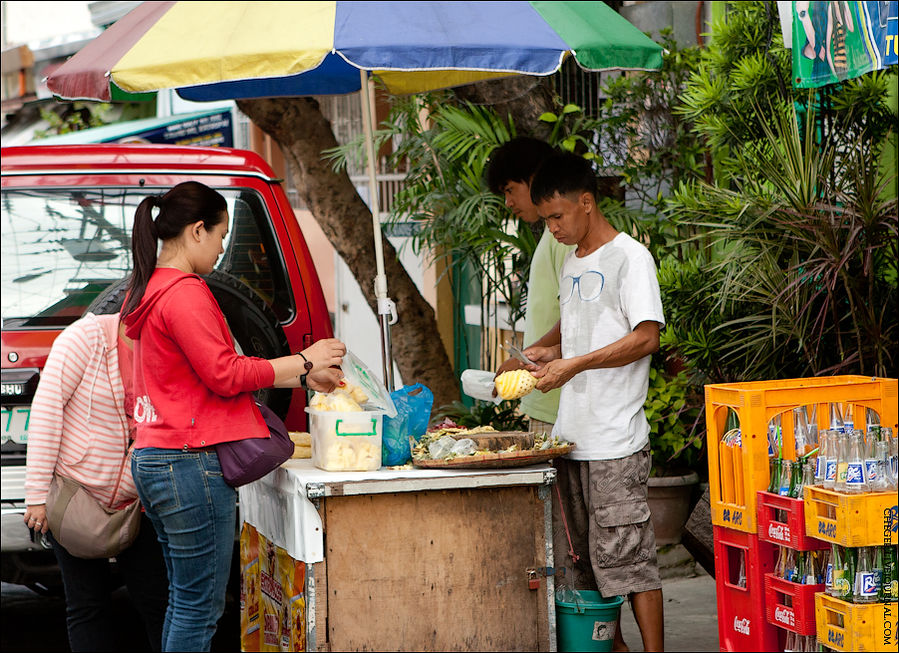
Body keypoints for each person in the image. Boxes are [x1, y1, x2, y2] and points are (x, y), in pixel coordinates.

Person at [121, 180, 346, 652]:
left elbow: (201, 375)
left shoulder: (146, 291)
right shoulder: (184, 293)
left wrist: (304, 378)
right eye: (222, 235)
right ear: (197, 231)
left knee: (185, 602)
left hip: (156, 457)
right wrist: (306, 360)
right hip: (188, 465)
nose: (223, 249)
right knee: (199, 608)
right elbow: (225, 373)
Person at [522, 152, 665, 652]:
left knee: (628, 557)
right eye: (546, 220)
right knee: (581, 563)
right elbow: (580, 325)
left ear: (586, 202)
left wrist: (574, 365)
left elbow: (646, 337)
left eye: (557, 217)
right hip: (571, 438)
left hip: (615, 440)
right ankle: (614, 646)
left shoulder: (630, 258)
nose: (553, 228)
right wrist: (548, 350)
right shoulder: (572, 261)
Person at [24, 311, 168, 652]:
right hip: (78, 495)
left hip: (139, 497)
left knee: (157, 601)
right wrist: (36, 497)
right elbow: (46, 414)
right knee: (87, 604)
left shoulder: (166, 344)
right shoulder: (84, 339)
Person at [486, 137, 574, 435]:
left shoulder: (564, 239)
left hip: (559, 401)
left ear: (535, 179)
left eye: (511, 190)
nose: (508, 202)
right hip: (546, 396)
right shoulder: (553, 236)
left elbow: (574, 313)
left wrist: (525, 356)